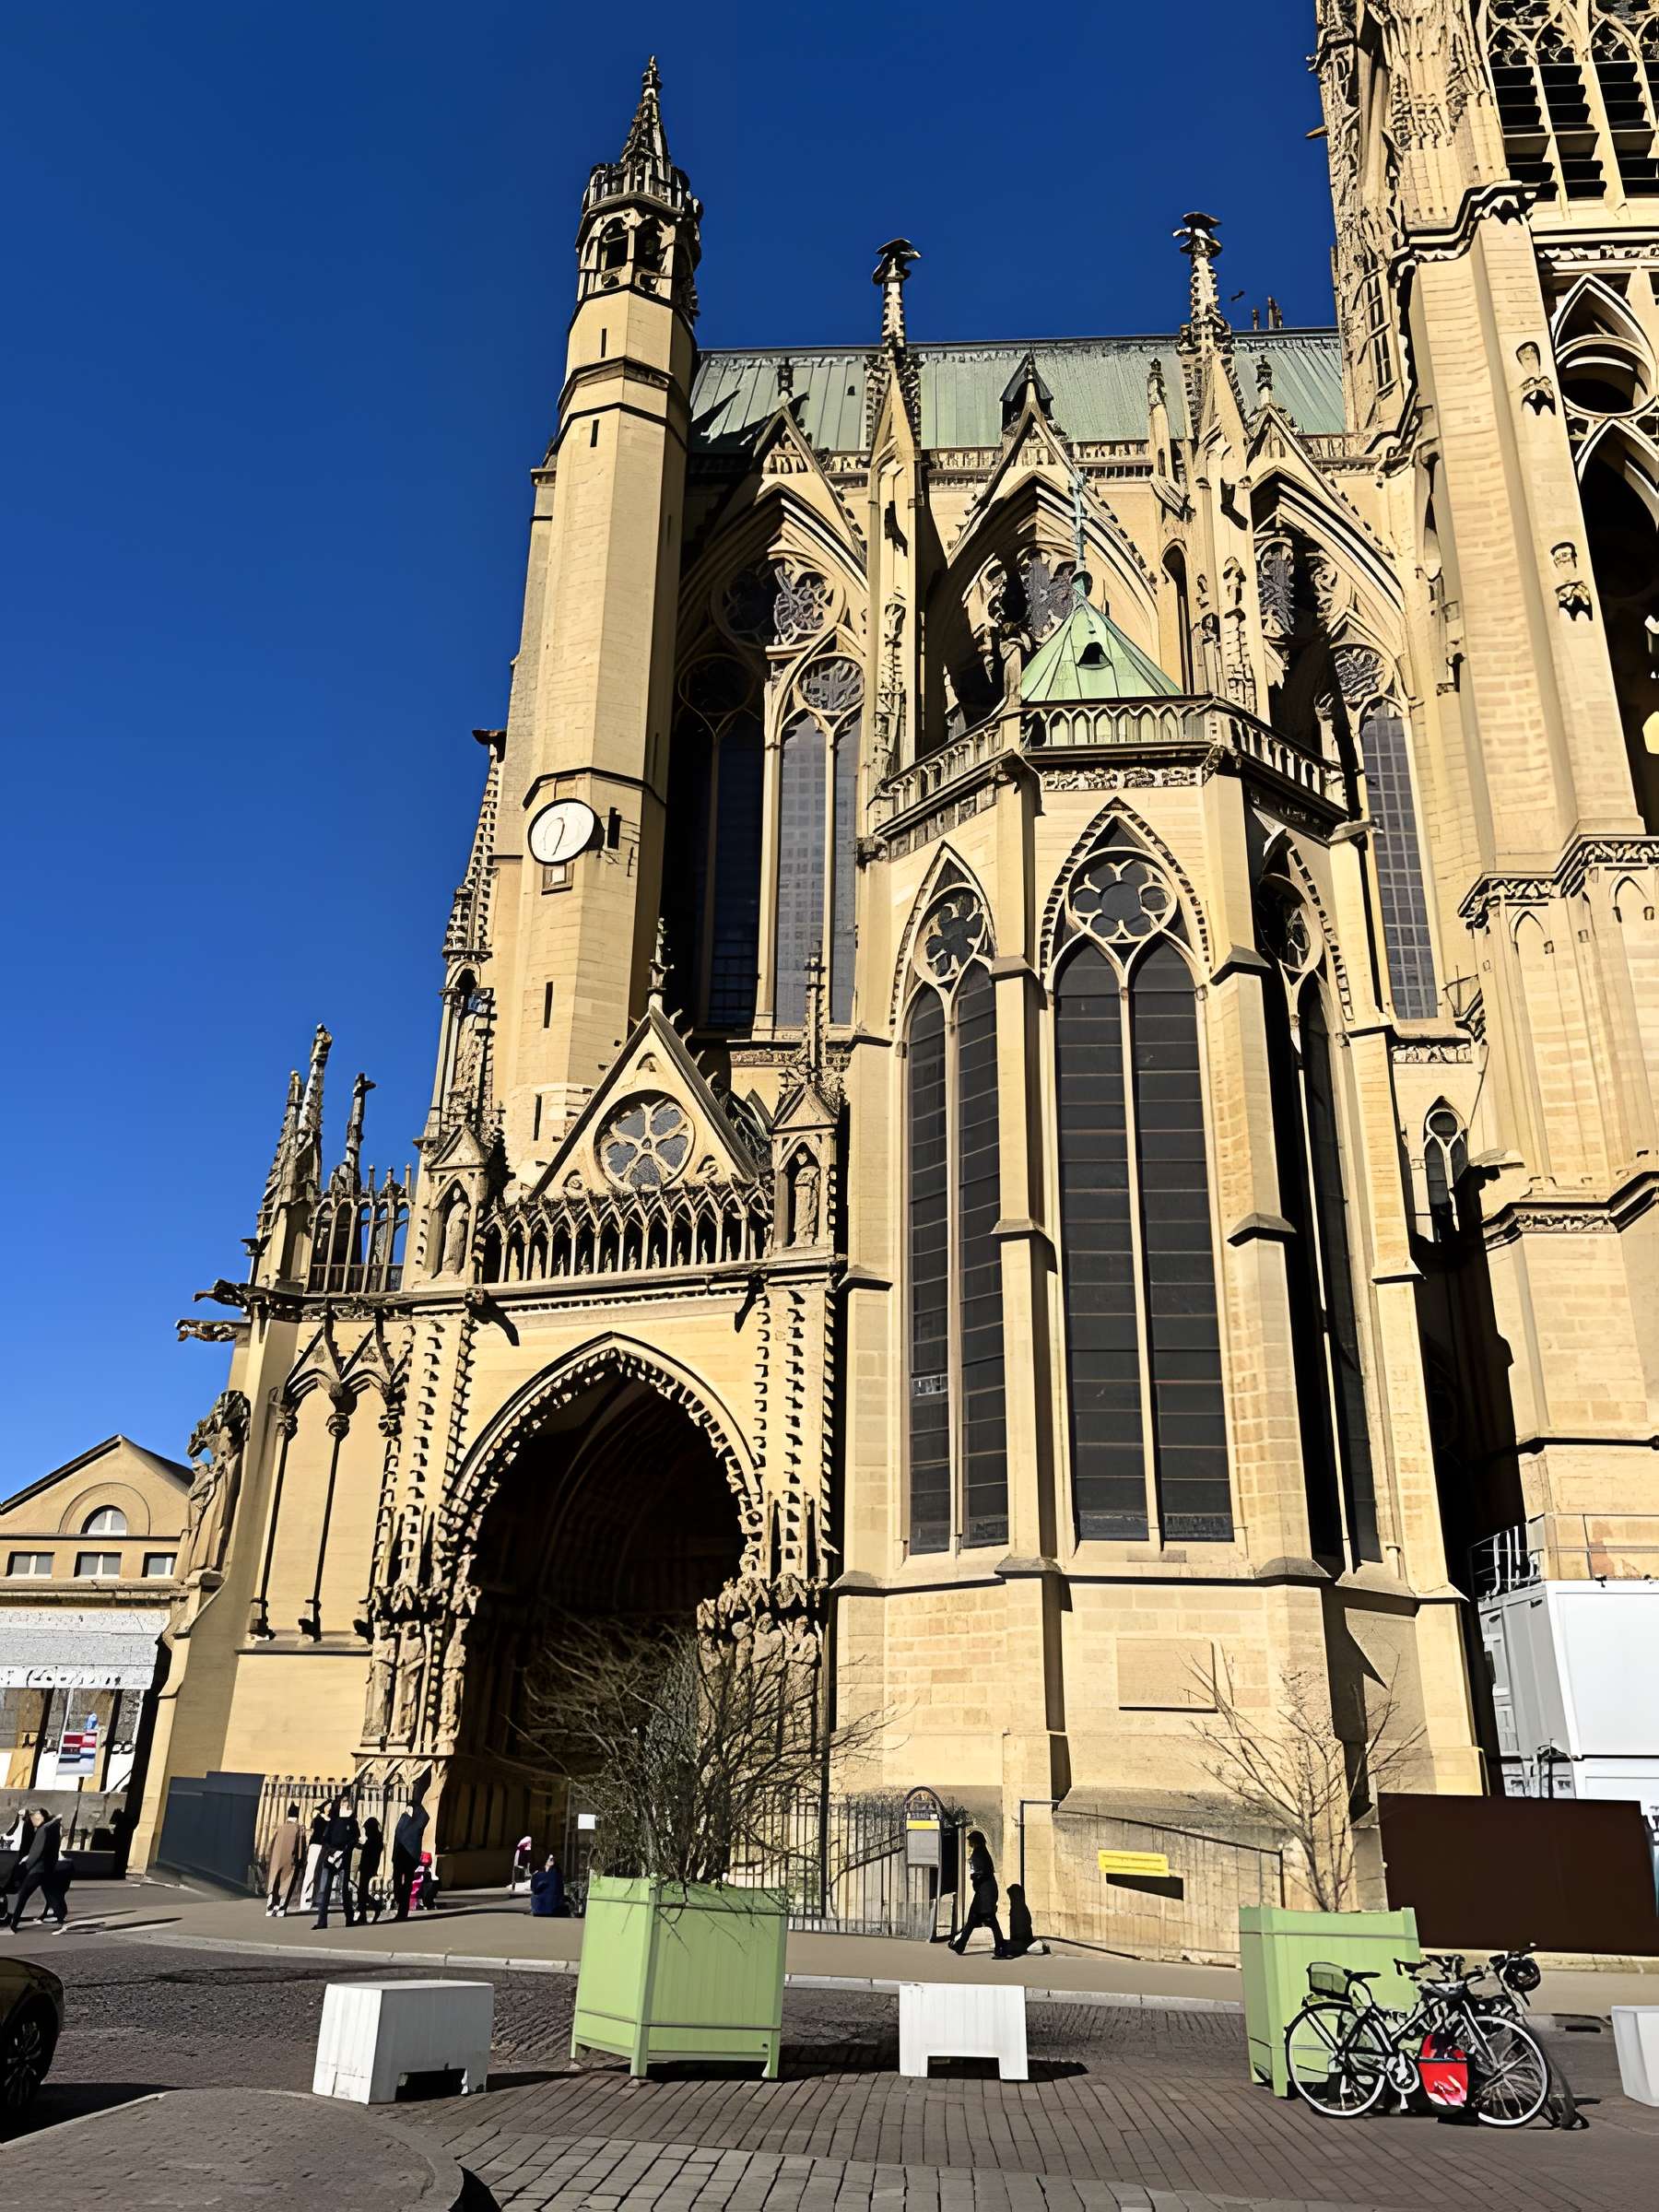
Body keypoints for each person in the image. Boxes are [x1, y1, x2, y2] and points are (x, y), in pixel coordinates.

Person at [948, 1828, 1007, 1959]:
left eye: (971, 1841)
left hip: (984, 1893)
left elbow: (984, 1872)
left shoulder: (979, 1853)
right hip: (985, 1892)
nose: (969, 1843)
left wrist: (975, 1877)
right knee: (976, 1920)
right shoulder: (981, 1852)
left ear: (975, 1841)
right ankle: (961, 1945)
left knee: (989, 1920)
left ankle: (1001, 1947)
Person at [6, 1809, 66, 1934]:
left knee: (23, 1895)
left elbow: (36, 1851)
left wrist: (26, 1864)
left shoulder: (43, 1830)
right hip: (48, 1869)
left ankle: (14, 1925)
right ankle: (62, 1922)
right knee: (51, 1896)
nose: (33, 1819)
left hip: (37, 1869)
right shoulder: (53, 1831)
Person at [312, 1795, 359, 1930]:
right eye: (344, 1803)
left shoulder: (352, 1822)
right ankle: (322, 1921)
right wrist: (331, 1853)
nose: (346, 1805)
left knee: (345, 1890)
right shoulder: (333, 1821)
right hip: (331, 1857)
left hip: (344, 1857)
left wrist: (343, 1851)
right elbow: (325, 1838)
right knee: (325, 1890)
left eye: (347, 1803)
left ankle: (349, 1919)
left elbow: (355, 1838)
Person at [391, 1798, 428, 1922]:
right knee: (397, 1883)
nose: (407, 1811)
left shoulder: (417, 1823)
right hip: (399, 1856)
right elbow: (397, 1837)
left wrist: (416, 1805)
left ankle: (403, 1910)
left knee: (407, 1885)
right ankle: (399, 1901)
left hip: (410, 1858)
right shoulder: (403, 1819)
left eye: (409, 1809)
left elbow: (424, 1817)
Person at [266, 1802, 305, 1916]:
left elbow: (271, 1845)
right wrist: (300, 1861)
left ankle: (271, 1906)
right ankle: (281, 1908)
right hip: (291, 1861)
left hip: (276, 1859)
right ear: (297, 1816)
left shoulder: (280, 1828)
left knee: (274, 1882)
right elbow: (300, 1848)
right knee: (287, 1883)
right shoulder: (298, 1829)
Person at [300, 1805, 328, 1912]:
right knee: (311, 1873)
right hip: (316, 1846)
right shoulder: (319, 1819)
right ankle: (306, 1899)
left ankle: (313, 1898)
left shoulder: (326, 1819)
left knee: (318, 1874)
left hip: (323, 1847)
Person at [356, 1815, 384, 1923]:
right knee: (361, 1891)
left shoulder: (373, 1841)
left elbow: (369, 1855)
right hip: (368, 1867)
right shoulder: (375, 1840)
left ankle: (374, 1906)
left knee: (361, 1891)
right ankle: (367, 1911)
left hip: (367, 1868)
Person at [528, 1853, 567, 1918]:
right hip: (547, 1909)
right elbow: (534, 1888)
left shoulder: (555, 1873)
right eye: (551, 1859)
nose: (552, 1861)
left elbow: (560, 1889)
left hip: (543, 1909)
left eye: (553, 1859)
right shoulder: (540, 1874)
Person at [1004, 1882, 1035, 1959]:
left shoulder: (1017, 1908)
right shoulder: (1021, 1906)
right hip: (1022, 1939)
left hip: (1021, 1940)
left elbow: (1018, 1928)